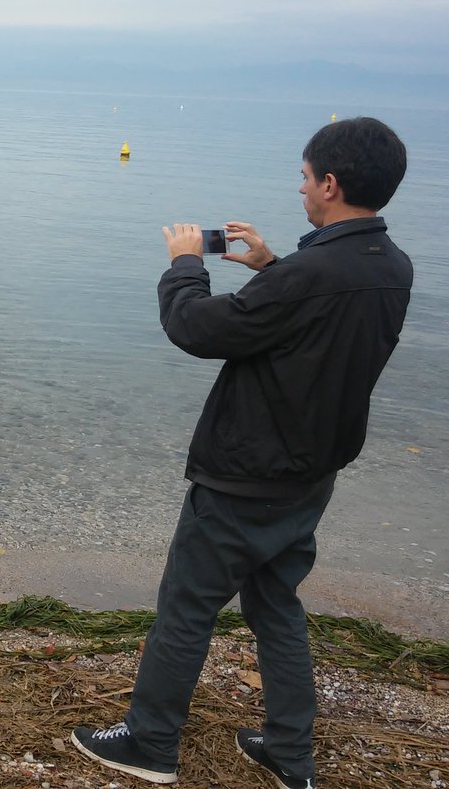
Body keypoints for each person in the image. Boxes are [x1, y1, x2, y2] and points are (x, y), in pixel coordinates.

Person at [71, 117, 412, 788]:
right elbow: (313, 311)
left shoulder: (313, 274)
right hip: (310, 475)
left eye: (307, 177)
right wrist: (270, 266)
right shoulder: (390, 266)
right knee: (275, 604)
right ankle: (290, 753)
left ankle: (148, 742)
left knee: (187, 607)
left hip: (244, 479)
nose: (302, 188)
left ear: (332, 184)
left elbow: (195, 327)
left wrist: (184, 262)